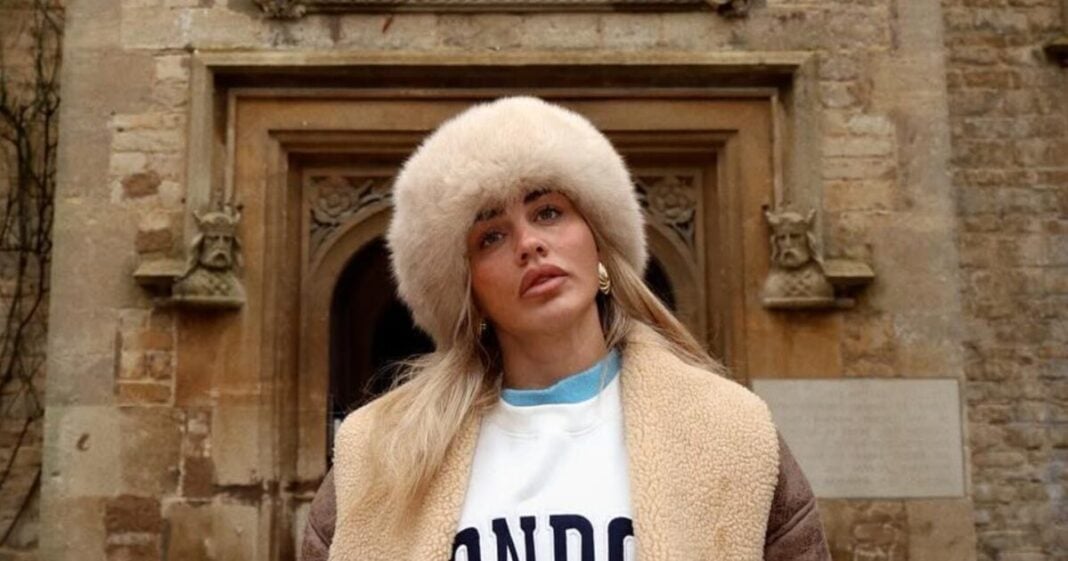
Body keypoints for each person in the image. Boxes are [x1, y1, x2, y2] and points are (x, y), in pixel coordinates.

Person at [301, 96, 831, 561]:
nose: (529, 243)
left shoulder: (729, 431)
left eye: (549, 212)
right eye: (491, 237)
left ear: (598, 244)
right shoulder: (379, 453)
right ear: (469, 291)